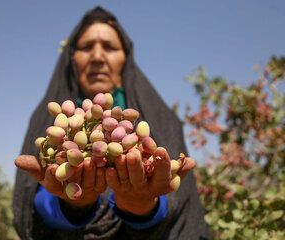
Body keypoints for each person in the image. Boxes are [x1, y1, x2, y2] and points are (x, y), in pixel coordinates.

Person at [13, 6, 210, 239]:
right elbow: (31, 206)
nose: (97, 57)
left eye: (109, 47)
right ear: (71, 58)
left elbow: (181, 205)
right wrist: (74, 204)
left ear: (125, 58)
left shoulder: (161, 119)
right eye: (86, 47)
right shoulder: (52, 121)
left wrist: (142, 206)